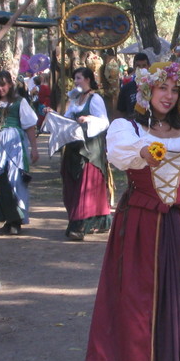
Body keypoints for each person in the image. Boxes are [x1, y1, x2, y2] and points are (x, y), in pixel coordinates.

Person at [84, 62, 180, 361]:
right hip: (141, 224)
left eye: (175, 90)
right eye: (163, 89)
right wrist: (143, 151)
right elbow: (118, 154)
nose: (169, 96)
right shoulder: (127, 127)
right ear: (147, 91)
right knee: (140, 298)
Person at [0, 70, 39, 235]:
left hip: (15, 144)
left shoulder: (20, 102)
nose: (0, 88)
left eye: (3, 85)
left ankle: (16, 220)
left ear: (10, 85)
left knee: (16, 181)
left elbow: (29, 126)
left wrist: (34, 148)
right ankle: (8, 218)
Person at [59, 67, 112, 240]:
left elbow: (104, 122)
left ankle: (80, 225)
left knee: (86, 185)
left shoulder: (95, 98)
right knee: (73, 184)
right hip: (75, 146)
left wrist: (88, 119)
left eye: (79, 78)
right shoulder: (75, 99)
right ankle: (98, 220)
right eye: (75, 78)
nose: (76, 81)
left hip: (90, 148)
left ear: (88, 79)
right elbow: (67, 119)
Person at [116, 52, 150, 117]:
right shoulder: (126, 88)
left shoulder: (154, 86)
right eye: (138, 66)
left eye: (144, 65)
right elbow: (121, 112)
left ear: (148, 66)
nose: (141, 69)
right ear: (134, 68)